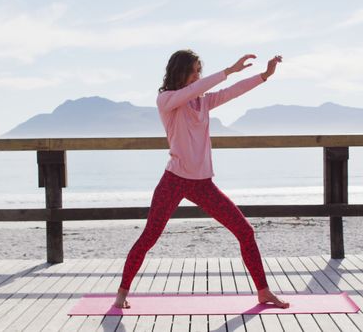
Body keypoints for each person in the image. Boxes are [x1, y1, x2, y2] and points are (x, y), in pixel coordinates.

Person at [113, 49, 288, 309]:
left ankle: (263, 292)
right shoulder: (167, 100)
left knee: (245, 231)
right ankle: (121, 294)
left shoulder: (202, 102)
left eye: (199, 71)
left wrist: (264, 76)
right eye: (194, 70)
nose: (198, 75)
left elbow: (231, 92)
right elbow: (192, 92)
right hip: (174, 179)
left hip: (202, 183)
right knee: (150, 236)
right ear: (180, 71)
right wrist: (228, 70)